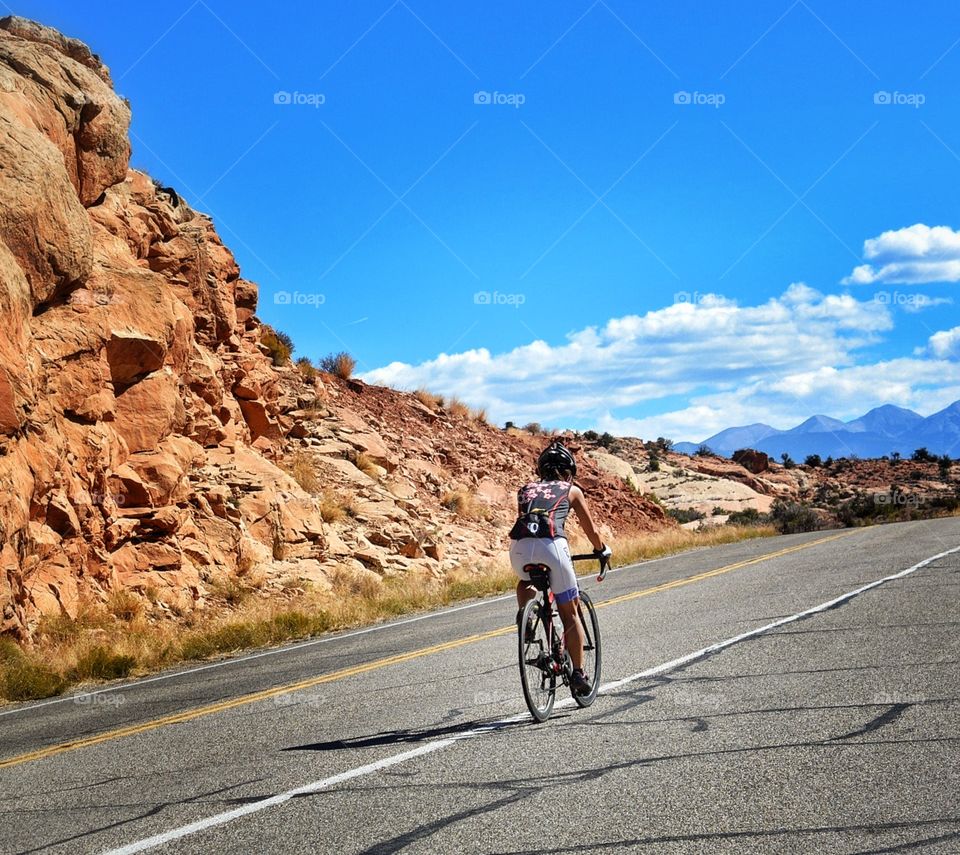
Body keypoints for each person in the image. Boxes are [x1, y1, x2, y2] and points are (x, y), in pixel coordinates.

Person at [508, 440, 611, 696]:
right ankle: (578, 673)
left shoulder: (525, 490)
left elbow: (528, 519)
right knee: (570, 613)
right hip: (553, 545)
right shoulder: (571, 489)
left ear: (541, 470)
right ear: (568, 472)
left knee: (526, 580)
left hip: (519, 547)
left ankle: (526, 615)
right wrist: (601, 549)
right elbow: (592, 530)